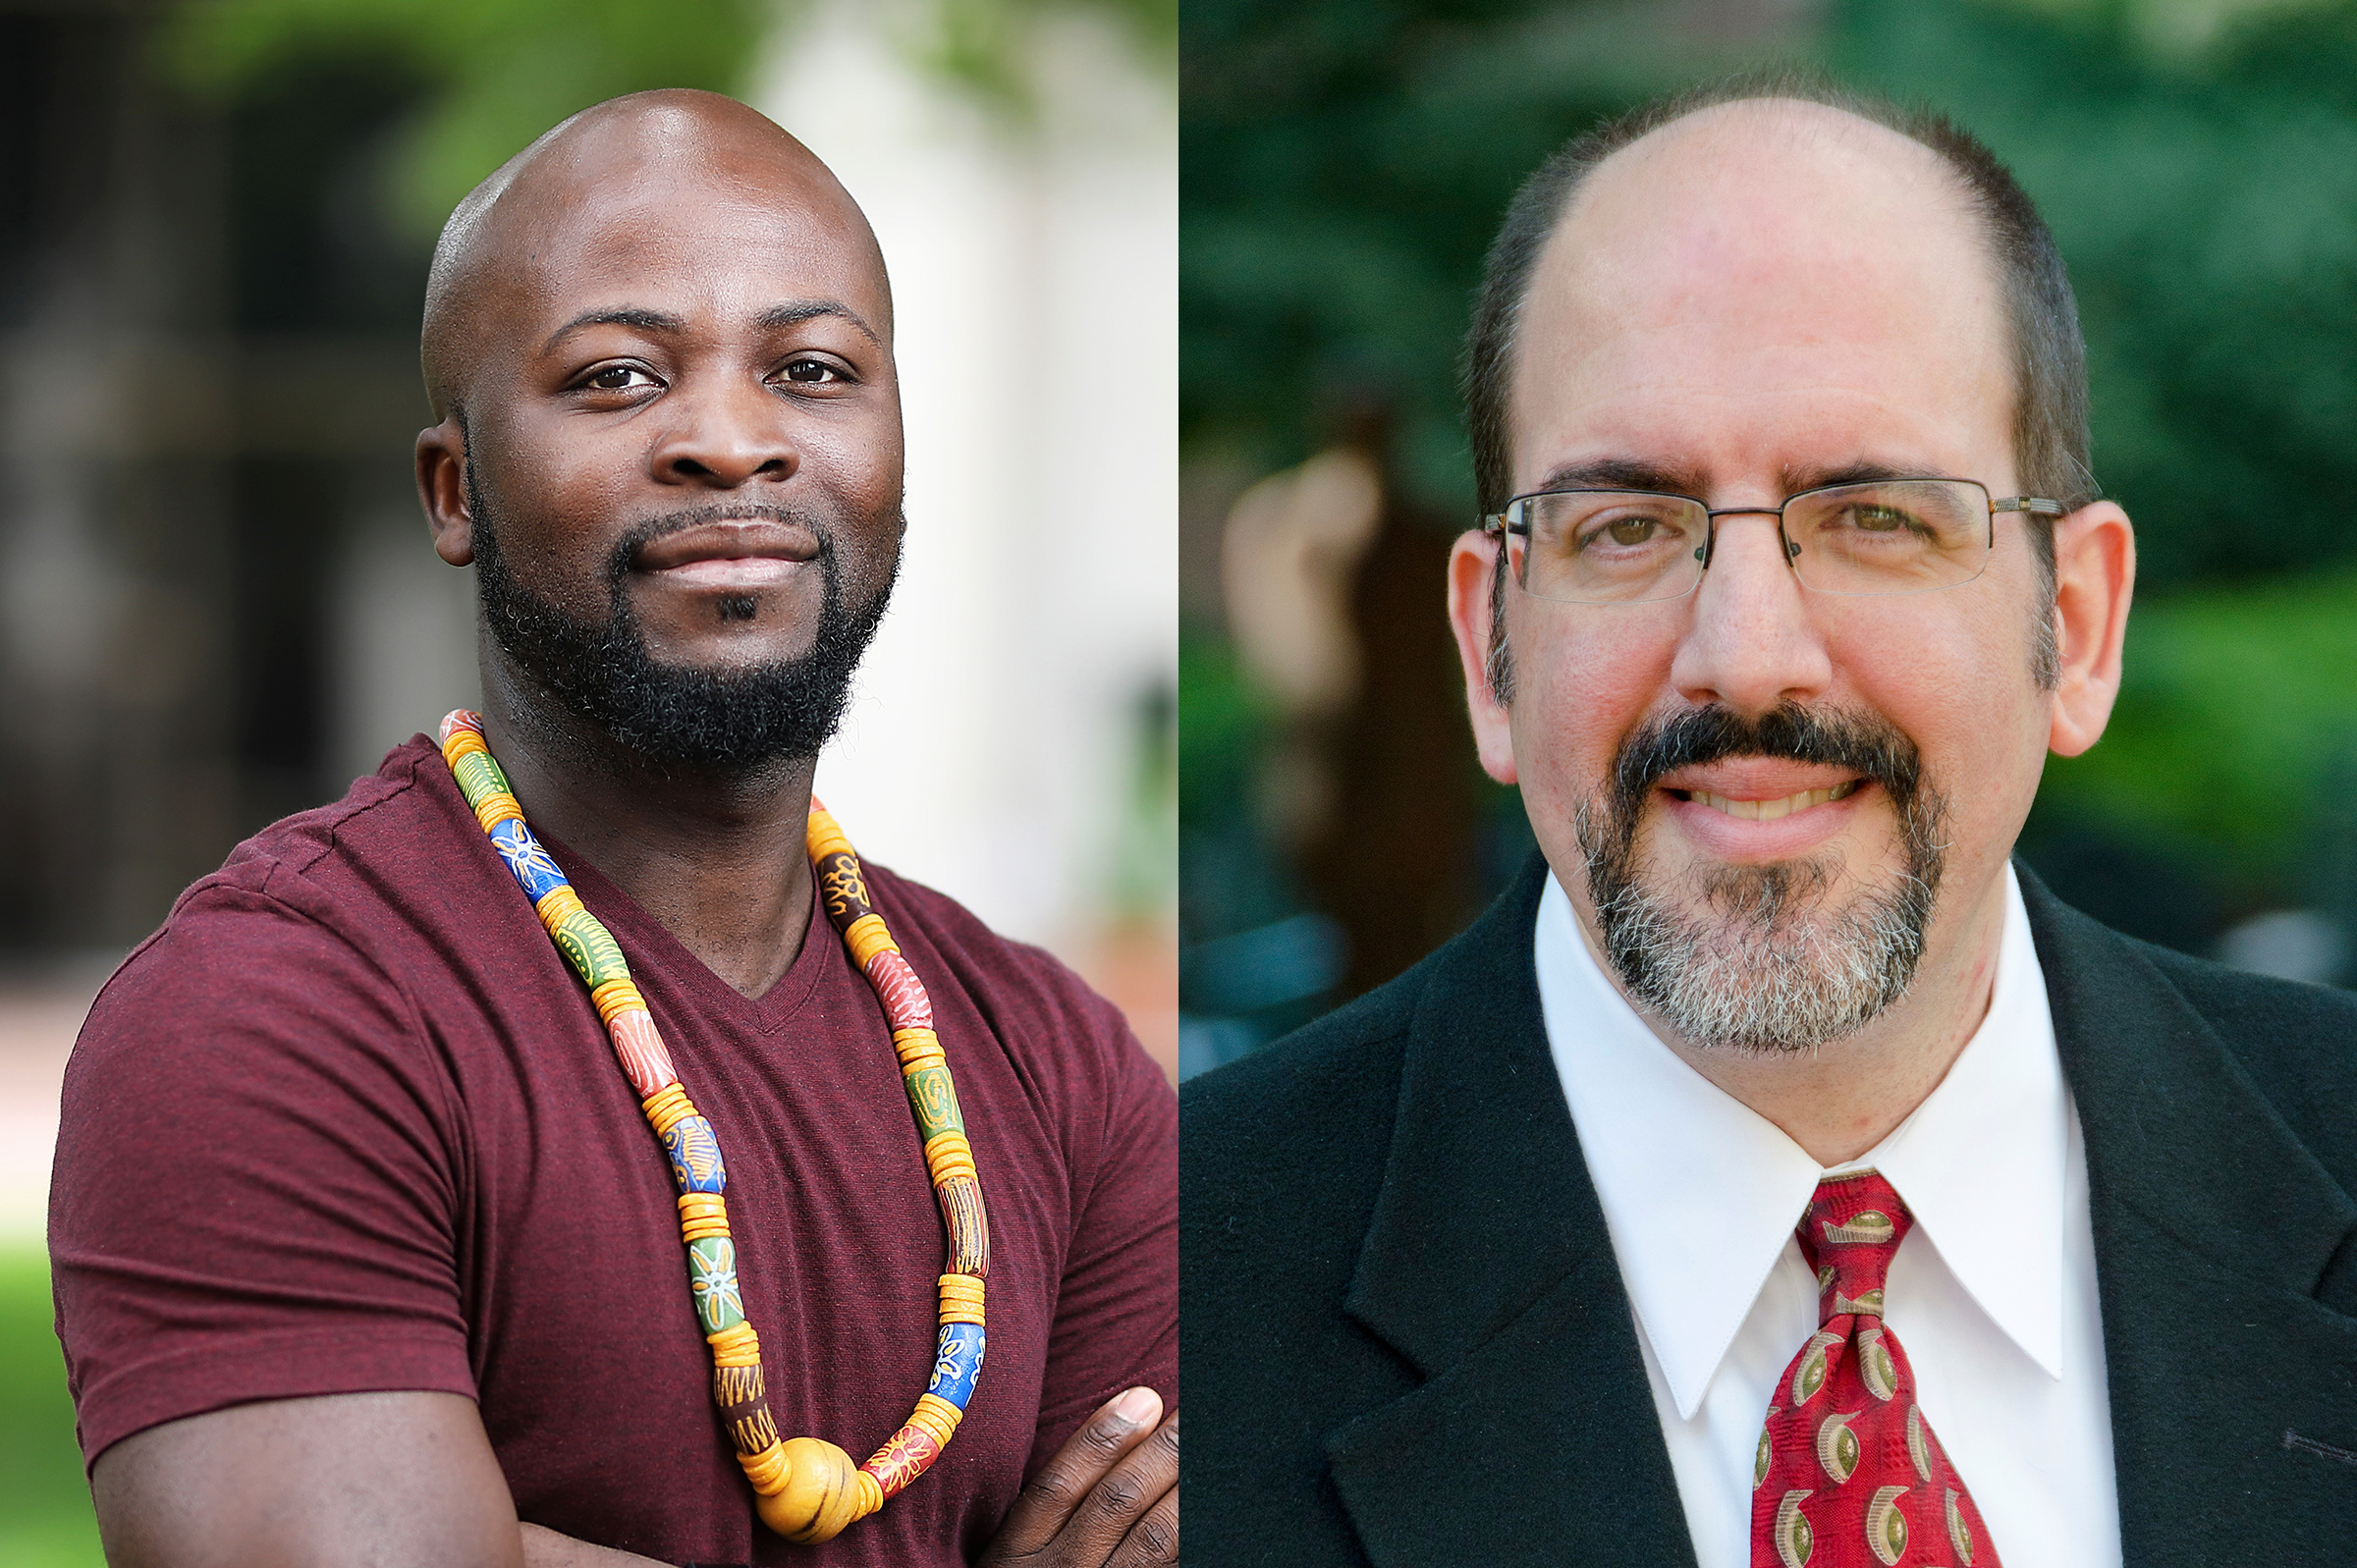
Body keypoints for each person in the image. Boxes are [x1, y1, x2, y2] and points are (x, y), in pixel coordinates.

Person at [1181, 75, 2357, 1568]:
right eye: (1628, 527)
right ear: (1492, 651)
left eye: (1875, 516)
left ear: (2079, 624)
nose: (1745, 652)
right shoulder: (1162, 1310)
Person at [50, 91, 1176, 1568]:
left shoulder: (1055, 1064)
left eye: (814, 369)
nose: (729, 440)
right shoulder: (273, 1016)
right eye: (619, 378)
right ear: (455, 489)